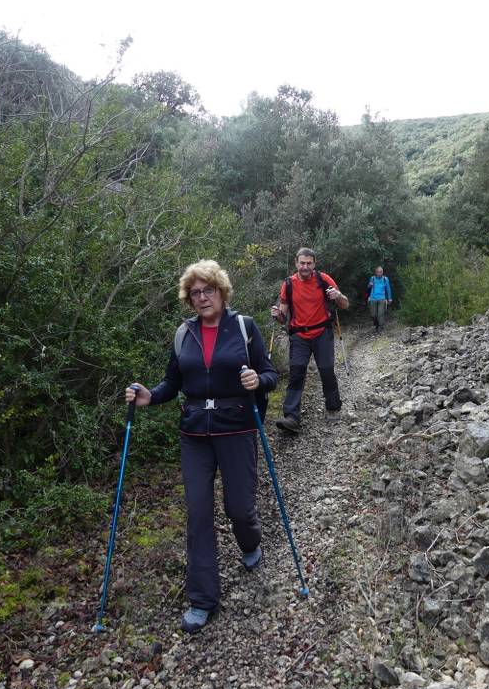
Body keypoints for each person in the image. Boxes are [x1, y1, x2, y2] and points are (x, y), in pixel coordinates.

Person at [125, 260, 277, 634]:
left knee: (239, 508)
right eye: (195, 292)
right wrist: (149, 397)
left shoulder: (244, 328)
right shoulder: (183, 334)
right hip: (194, 434)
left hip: (236, 429)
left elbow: (271, 374)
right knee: (198, 514)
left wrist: (259, 379)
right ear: (188, 298)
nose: (202, 297)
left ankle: (250, 542)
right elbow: (171, 383)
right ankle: (203, 598)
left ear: (221, 291)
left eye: (208, 289)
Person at [271, 247, 349, 433]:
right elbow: (283, 315)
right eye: (302, 263)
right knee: (296, 373)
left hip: (322, 332)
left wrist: (338, 296)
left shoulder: (323, 279)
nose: (305, 267)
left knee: (326, 370)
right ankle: (291, 417)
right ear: (296, 263)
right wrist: (277, 315)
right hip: (299, 334)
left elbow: (345, 304)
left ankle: (333, 407)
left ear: (314, 264)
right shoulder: (288, 284)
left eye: (309, 263)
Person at [367, 266, 392, 332]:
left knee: (380, 314)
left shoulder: (385, 279)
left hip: (382, 298)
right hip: (373, 298)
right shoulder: (372, 278)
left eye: (380, 272)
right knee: (373, 315)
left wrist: (389, 298)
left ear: (382, 272)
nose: (379, 273)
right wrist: (370, 285)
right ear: (375, 272)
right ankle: (376, 324)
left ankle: (380, 327)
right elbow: (368, 287)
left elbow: (388, 288)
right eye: (378, 272)